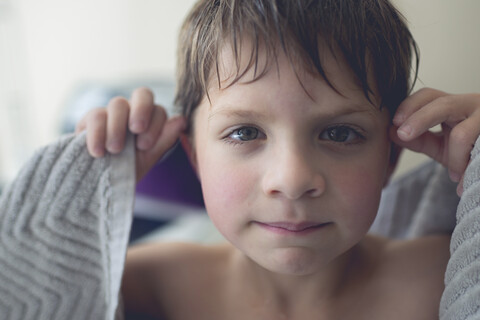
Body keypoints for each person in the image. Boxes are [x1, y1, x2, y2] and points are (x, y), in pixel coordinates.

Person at [76, 0, 480, 319]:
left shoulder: (440, 276)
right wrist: (80, 187)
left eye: (339, 133)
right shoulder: (153, 282)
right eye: (245, 132)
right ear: (195, 156)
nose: (292, 179)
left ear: (389, 158)